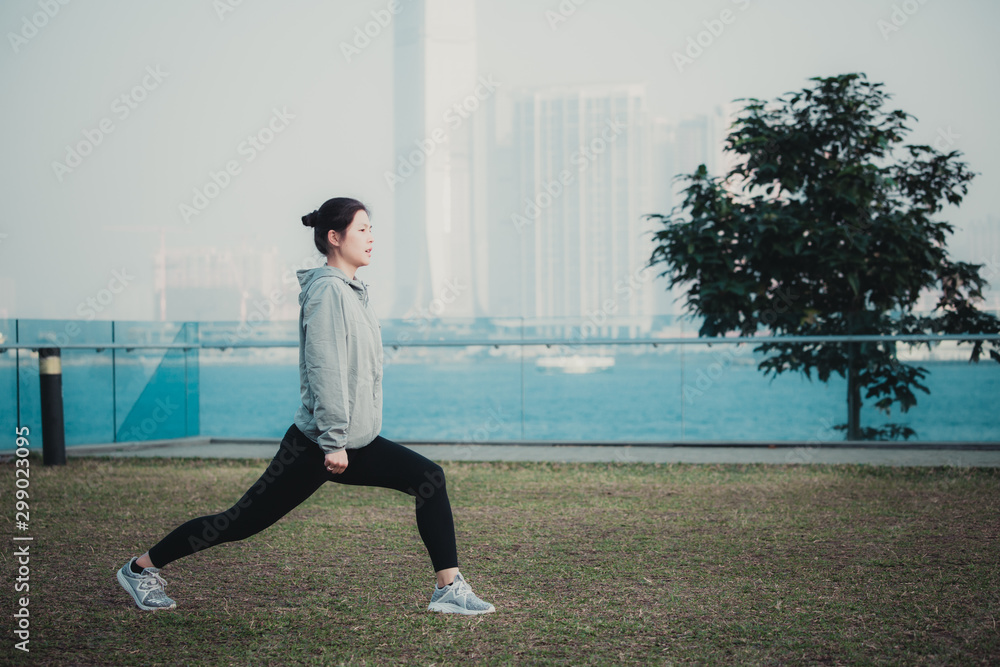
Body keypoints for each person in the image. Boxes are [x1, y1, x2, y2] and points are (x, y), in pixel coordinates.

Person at [116, 197, 495, 616]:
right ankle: (140, 568)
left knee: (429, 478)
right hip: (320, 444)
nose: (372, 238)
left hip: (353, 439)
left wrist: (345, 438)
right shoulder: (329, 292)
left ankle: (448, 588)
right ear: (335, 238)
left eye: (372, 229)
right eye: (362, 229)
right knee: (239, 522)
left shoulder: (351, 292)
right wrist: (333, 441)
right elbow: (326, 369)